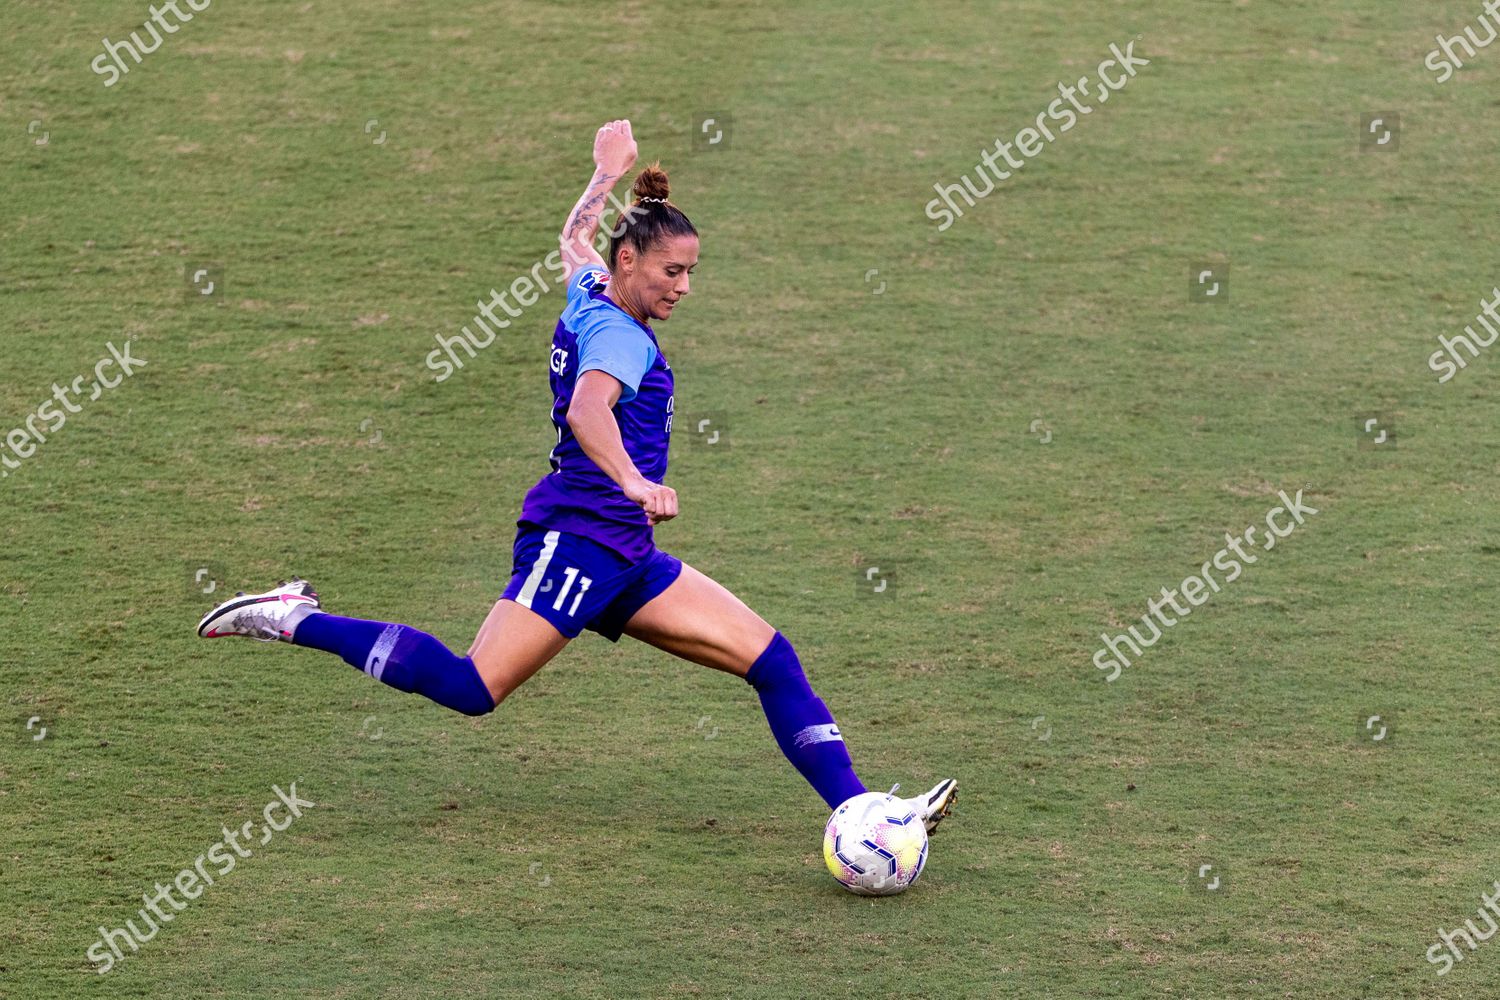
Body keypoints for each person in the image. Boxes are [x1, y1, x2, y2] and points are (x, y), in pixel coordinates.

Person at [196, 119, 957, 833]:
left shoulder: (592, 288)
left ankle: (862, 814)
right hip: (579, 539)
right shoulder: (622, 342)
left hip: (625, 551)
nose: (684, 286)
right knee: (473, 688)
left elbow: (573, 238)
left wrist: (604, 174)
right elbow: (592, 409)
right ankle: (288, 617)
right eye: (672, 270)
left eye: (691, 271)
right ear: (632, 263)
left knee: (771, 660)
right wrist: (632, 479)